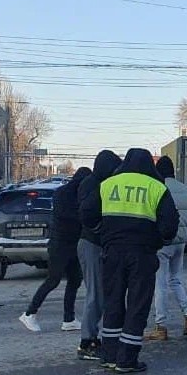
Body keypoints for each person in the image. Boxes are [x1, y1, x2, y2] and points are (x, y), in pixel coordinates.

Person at [80, 148, 178, 373]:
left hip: (112, 251)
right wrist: (158, 240)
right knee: (137, 304)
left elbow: (86, 213)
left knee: (113, 301)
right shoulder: (157, 187)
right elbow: (170, 225)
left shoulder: (109, 184)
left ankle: (109, 355)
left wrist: (102, 232)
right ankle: (127, 359)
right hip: (142, 254)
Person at [19, 167, 92, 332]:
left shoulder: (71, 193)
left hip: (72, 244)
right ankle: (29, 313)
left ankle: (69, 319)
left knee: (74, 280)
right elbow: (71, 216)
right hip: (60, 244)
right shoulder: (64, 194)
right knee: (53, 280)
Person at [75, 150, 122, 360]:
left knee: (100, 293)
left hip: (94, 244)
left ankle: (93, 337)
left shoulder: (93, 183)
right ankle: (87, 342)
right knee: (95, 294)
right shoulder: (94, 185)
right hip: (91, 244)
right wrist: (101, 228)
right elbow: (88, 214)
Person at [145, 156, 187, 341]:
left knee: (160, 284)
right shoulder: (186, 190)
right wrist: (186, 238)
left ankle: (161, 326)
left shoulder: (157, 188)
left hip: (163, 243)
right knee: (176, 280)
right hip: (180, 243)